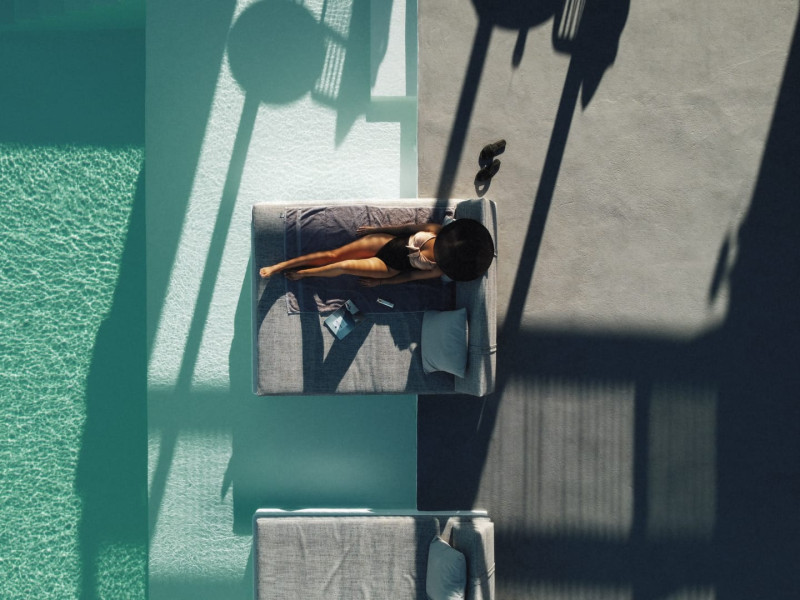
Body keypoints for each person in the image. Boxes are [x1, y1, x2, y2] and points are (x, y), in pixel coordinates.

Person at [259, 218, 494, 286]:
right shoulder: (436, 230)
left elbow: (409, 276)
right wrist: (376, 229)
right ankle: (280, 265)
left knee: (344, 266)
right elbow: (405, 229)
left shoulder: (438, 269)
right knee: (333, 255)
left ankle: (303, 274)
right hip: (386, 243)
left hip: (389, 268)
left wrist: (381, 283)